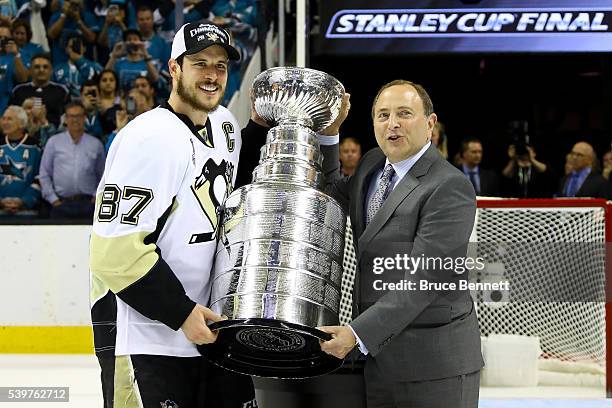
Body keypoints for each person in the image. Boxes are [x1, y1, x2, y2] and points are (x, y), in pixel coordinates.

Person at [89, 22, 259, 408]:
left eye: (220, 65)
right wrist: (181, 313)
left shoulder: (225, 125)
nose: (213, 75)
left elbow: (227, 185)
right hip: (145, 337)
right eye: (200, 63)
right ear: (174, 69)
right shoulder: (147, 139)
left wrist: (261, 129)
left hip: (209, 332)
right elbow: (114, 254)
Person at [320, 80, 483, 408]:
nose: (392, 123)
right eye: (382, 115)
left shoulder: (449, 186)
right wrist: (330, 132)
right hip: (380, 362)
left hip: (433, 368)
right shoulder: (370, 164)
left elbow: (424, 282)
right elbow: (330, 191)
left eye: (404, 114)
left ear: (430, 124)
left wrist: (357, 334)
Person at [39, 101, 105, 219]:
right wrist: (53, 199)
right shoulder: (54, 142)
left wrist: (96, 197)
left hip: (89, 204)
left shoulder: (96, 144)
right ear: (65, 119)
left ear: (84, 118)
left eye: (79, 116)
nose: (75, 120)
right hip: (61, 204)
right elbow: (44, 173)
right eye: (71, 116)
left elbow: (104, 175)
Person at [0, 105, 42, 217]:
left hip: (28, 212)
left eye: (9, 119)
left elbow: (40, 177)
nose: (4, 122)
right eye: (3, 118)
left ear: (22, 123)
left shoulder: (35, 147)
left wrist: (25, 200)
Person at [10, 53, 70, 128]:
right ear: (30, 70)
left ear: (51, 71)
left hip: (53, 134)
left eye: (45, 67)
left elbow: (67, 117)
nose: (41, 70)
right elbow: (12, 116)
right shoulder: (18, 91)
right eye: (37, 67)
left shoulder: (62, 91)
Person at [105, 28, 160, 92]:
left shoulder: (147, 63)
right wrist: (114, 56)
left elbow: (155, 79)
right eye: (129, 39)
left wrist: (146, 55)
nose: (132, 42)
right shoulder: (118, 63)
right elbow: (105, 75)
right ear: (124, 43)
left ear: (141, 42)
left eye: (135, 39)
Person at [46, 0, 98, 65]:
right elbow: (51, 35)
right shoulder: (57, 15)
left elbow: (92, 38)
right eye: (70, 3)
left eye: (75, 4)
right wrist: (64, 16)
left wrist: (78, 20)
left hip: (83, 62)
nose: (72, 7)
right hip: (61, 63)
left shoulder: (88, 16)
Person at [53, 33, 103, 98]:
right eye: (71, 47)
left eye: (77, 46)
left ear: (84, 48)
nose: (74, 50)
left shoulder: (95, 67)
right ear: (66, 49)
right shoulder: (57, 69)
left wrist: (80, 60)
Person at [0, 21, 29, 114]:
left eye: (5, 39)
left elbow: (23, 78)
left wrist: (16, 55)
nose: (1, 41)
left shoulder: (20, 55)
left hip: (8, 109)